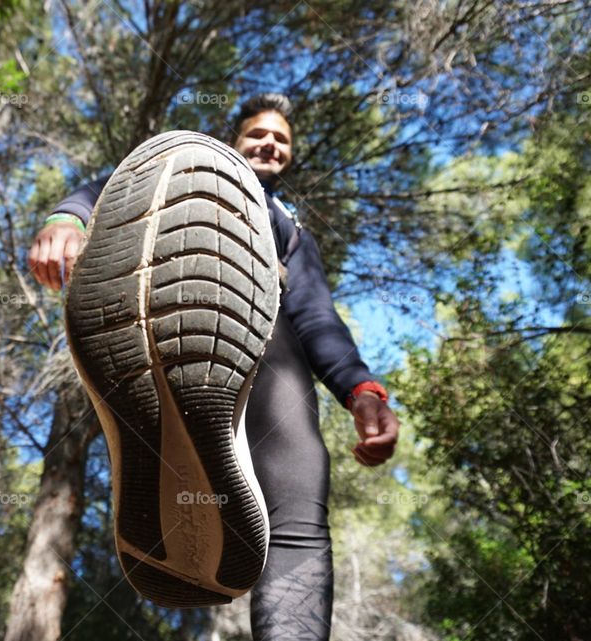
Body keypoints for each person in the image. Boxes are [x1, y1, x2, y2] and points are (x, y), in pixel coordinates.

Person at [28, 94, 399, 641]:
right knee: (284, 485)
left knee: (301, 493)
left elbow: (319, 317)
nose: (271, 143)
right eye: (259, 134)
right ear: (236, 140)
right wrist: (68, 218)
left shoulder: (292, 231)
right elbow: (113, 191)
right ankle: (167, 389)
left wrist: (362, 390)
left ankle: (179, 442)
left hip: (274, 350)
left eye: (282, 140)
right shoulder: (192, 166)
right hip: (177, 319)